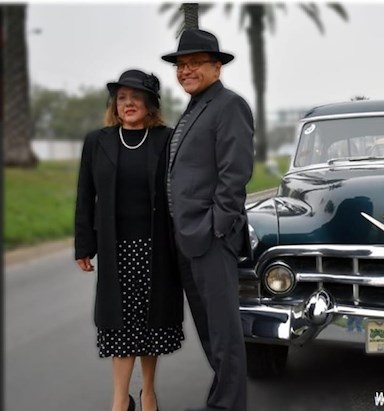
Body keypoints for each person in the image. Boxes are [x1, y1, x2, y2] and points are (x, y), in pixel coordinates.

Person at [75, 69, 183, 411]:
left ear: (150, 104)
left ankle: (148, 392)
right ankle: (120, 401)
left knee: (151, 324)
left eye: (136, 97)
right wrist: (84, 245)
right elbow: (85, 194)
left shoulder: (166, 139)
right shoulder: (98, 141)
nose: (128, 103)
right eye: (122, 98)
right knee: (119, 325)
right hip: (114, 248)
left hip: (156, 248)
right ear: (115, 105)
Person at [161, 29, 254, 411]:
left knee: (224, 331)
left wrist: (217, 225)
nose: (185, 71)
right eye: (181, 66)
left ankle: (229, 404)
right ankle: (223, 398)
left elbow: (235, 173)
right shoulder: (196, 106)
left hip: (211, 236)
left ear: (216, 67)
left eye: (194, 63)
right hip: (188, 237)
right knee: (208, 330)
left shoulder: (228, 105)